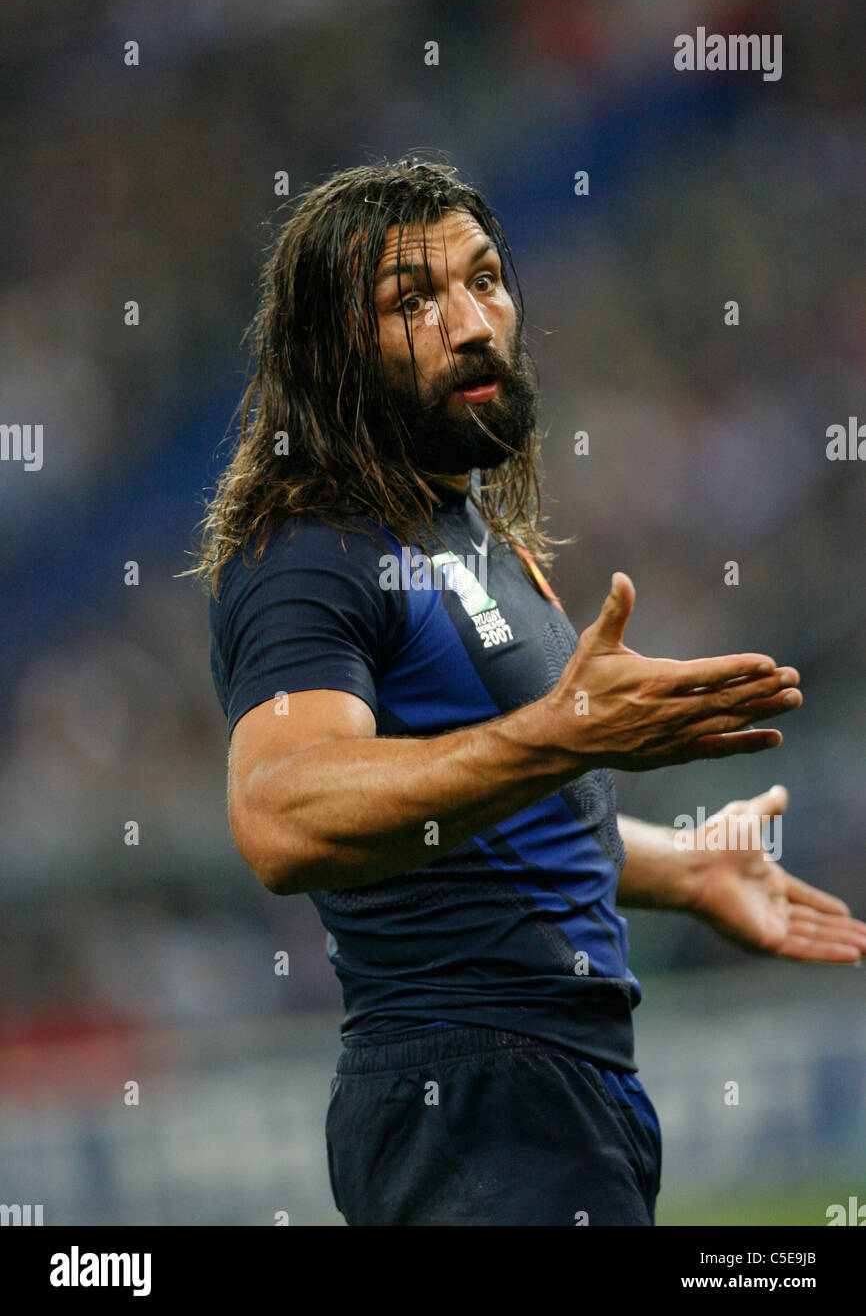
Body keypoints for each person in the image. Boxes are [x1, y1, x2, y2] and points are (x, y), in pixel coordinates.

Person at [199, 157, 865, 1225]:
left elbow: (497, 811)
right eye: (411, 301)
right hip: (462, 1098)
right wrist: (563, 733)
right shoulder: (314, 550)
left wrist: (677, 867)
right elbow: (278, 810)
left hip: (557, 1094)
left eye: (485, 278)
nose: (470, 322)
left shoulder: (473, 534)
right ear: (331, 353)